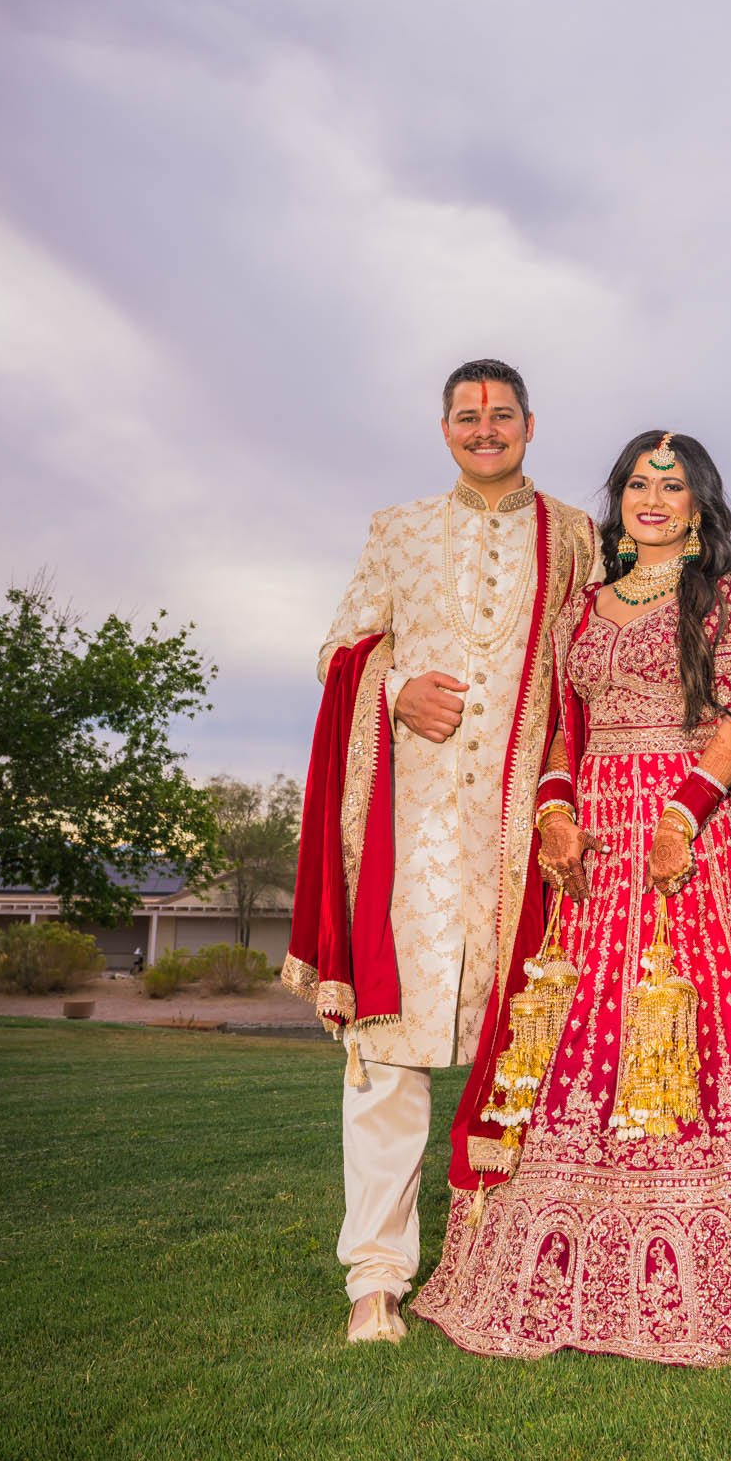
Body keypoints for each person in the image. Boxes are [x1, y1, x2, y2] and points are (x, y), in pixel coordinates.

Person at [413, 430, 731, 1365]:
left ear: (699, 506)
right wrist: (554, 815)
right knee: (578, 1033)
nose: (652, 498)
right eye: (636, 483)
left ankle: (730, 1288)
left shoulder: (723, 597)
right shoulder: (583, 608)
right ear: (619, 500)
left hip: (689, 835)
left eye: (671, 486)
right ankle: (567, 1283)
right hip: (594, 848)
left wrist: (680, 815)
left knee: (708, 1024)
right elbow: (558, 732)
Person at [281, 360, 599, 1343]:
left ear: (531, 423)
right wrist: (394, 686)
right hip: (410, 827)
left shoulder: (577, 536)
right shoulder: (400, 527)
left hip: (523, 834)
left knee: (533, 1048)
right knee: (387, 1051)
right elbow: (340, 647)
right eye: (468, 415)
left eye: (501, 413)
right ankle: (375, 1279)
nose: (485, 427)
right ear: (446, 426)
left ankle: (512, 1264)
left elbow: (591, 667)